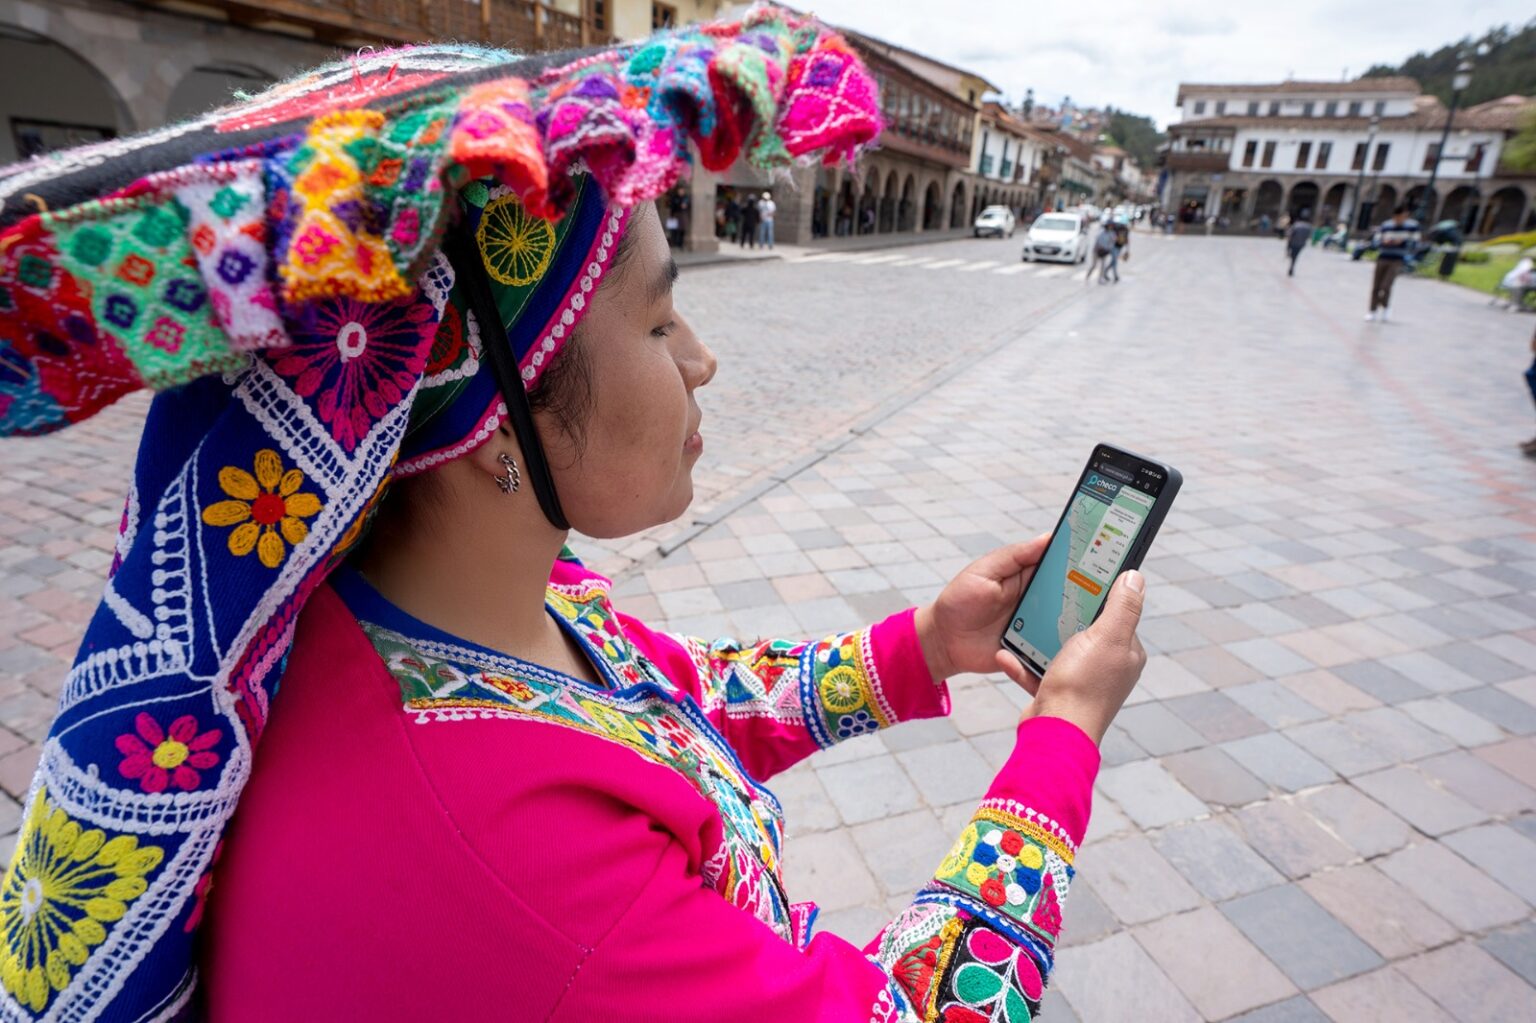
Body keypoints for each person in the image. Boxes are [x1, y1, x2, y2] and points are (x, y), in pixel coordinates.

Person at [0, 9, 1148, 1022]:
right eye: (657, 326)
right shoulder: (513, 860)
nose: (702, 361)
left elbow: (680, 704)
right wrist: (1063, 738)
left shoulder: (426, 605)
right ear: (490, 419)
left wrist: (922, 648)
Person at [1366, 203, 1421, 322]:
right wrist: (1385, 242)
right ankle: (1372, 310)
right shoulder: (1386, 225)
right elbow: (1376, 241)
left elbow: (1415, 244)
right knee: (1376, 286)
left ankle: (1385, 307)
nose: (1401, 220)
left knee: (1386, 286)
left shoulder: (1412, 226)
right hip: (1383, 257)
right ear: (1395, 216)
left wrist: (1401, 243)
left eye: (1404, 217)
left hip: (1397, 259)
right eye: (1399, 217)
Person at [1285, 207, 1314, 277]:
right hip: (1301, 244)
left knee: (1293, 255)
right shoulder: (1309, 227)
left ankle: (1291, 264)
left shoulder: (1297, 225)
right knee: (1295, 256)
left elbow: (1289, 234)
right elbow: (1309, 236)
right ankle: (1292, 265)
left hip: (1293, 242)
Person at [1087, 215, 1116, 282]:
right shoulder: (1101, 232)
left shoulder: (1112, 233)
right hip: (1097, 251)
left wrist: (1109, 247)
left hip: (1105, 252)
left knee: (1103, 266)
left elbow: (1112, 243)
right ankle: (1088, 276)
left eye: (1112, 225)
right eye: (1110, 225)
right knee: (1094, 265)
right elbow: (1098, 240)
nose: (1110, 227)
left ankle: (1100, 279)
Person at [1104, 215, 1130, 283]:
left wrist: (1127, 250)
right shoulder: (1117, 227)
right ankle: (1115, 276)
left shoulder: (1126, 229)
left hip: (1119, 247)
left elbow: (1127, 240)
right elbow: (1109, 232)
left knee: (1113, 262)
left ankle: (1105, 272)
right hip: (1114, 247)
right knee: (1115, 261)